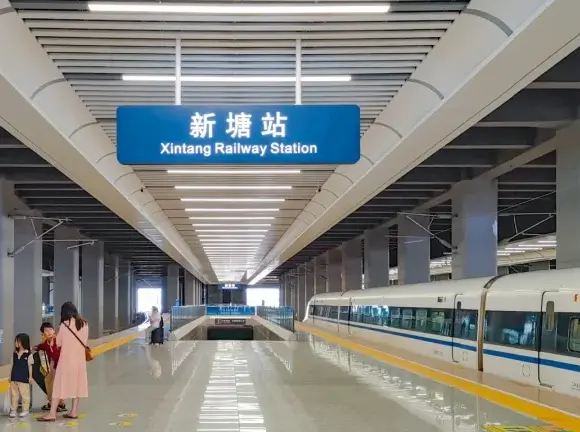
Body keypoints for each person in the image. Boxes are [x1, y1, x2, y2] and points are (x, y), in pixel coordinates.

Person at [38, 302, 89, 422]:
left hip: (66, 360)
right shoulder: (84, 324)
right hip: (80, 360)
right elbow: (85, 341)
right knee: (77, 385)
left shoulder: (64, 325)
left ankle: (52, 414)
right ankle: (74, 412)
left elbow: (59, 342)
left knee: (58, 386)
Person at [34, 322, 67, 412]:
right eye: (46, 330)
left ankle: (57, 403)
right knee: (49, 381)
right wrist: (36, 347)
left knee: (56, 384)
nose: (49, 332)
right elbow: (42, 347)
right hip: (54, 366)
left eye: (51, 329)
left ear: (54, 330)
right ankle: (56, 402)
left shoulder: (58, 340)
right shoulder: (46, 343)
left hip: (61, 366)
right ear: (43, 333)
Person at [8, 334, 34, 418]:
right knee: (14, 395)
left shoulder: (28, 354)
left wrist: (30, 377)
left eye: (17, 341)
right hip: (14, 378)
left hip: (24, 378)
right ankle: (13, 409)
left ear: (23, 342)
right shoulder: (14, 354)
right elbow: (12, 365)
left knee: (25, 395)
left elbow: (30, 366)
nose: (16, 343)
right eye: (15, 341)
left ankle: (25, 410)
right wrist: (10, 376)